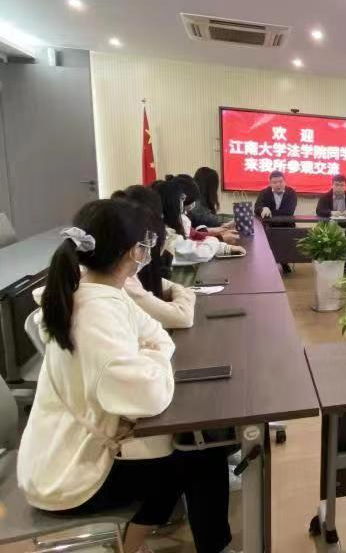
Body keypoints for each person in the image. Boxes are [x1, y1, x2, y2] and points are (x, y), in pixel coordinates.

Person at [17, 199, 233, 553]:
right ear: (135, 251)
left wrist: (148, 357)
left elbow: (158, 336)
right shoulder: (95, 312)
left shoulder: (95, 292)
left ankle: (129, 545)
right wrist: (152, 359)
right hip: (70, 475)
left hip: (66, 452)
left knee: (189, 453)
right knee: (202, 456)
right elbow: (149, 394)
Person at [121, 185, 196, 329]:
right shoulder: (124, 282)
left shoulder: (129, 273)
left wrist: (179, 290)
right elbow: (183, 317)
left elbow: (169, 285)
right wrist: (183, 293)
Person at [155, 180, 244, 266]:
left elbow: (194, 236)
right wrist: (219, 239)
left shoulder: (174, 224)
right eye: (181, 199)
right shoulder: (167, 234)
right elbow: (197, 251)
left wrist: (223, 241)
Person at [168, 175, 237, 243]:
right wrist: (221, 238)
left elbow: (195, 233)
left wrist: (222, 230)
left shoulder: (182, 216)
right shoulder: (181, 217)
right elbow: (190, 244)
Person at [316, 174, 346, 250]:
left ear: (345, 186)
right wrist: (331, 212)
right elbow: (319, 211)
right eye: (336, 185)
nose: (339, 187)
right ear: (332, 185)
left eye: (342, 185)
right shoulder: (325, 197)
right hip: (329, 225)